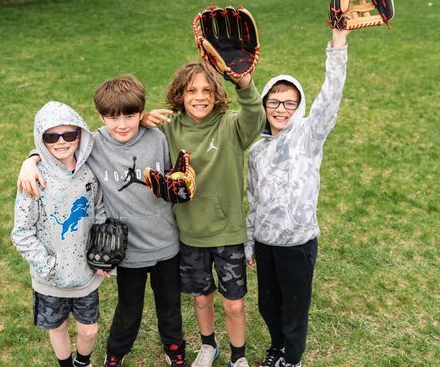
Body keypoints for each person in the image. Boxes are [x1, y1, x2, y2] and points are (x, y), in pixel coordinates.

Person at [17, 75, 187, 367]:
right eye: (112, 117)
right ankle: (115, 355)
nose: (122, 124)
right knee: (129, 308)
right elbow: (59, 145)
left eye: (130, 116)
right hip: (127, 250)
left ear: (140, 112)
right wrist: (30, 160)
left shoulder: (157, 139)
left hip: (165, 243)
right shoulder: (93, 144)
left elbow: (175, 176)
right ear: (100, 116)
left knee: (169, 305)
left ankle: (175, 351)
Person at [143, 63, 265, 367]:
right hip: (190, 233)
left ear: (216, 94)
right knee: (201, 298)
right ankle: (209, 345)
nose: (200, 97)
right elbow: (122, 134)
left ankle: (238, 356)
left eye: (207, 90)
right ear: (180, 95)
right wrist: (141, 120)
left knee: (234, 305)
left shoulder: (231, 125)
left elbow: (256, 114)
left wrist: (245, 82)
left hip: (227, 233)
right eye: (192, 91)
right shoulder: (168, 129)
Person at [244, 28, 351, 367]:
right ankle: (276, 347)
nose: (281, 109)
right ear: (264, 104)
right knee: (267, 304)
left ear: (300, 105)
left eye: (289, 102)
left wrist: (339, 42)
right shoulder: (256, 151)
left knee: (294, 305)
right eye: (274, 101)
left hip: (298, 241)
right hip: (265, 240)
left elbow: (330, 95)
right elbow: (253, 199)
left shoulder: (308, 135)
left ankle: (292, 358)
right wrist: (250, 241)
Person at [11, 101, 107, 367]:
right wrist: (49, 266)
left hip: (86, 274)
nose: (61, 142)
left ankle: (83, 362)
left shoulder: (90, 170)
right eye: (51, 136)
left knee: (89, 330)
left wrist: (102, 255)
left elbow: (98, 210)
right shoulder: (33, 179)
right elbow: (21, 233)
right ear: (41, 140)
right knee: (59, 327)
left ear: (80, 134)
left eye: (69, 134)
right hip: (50, 278)